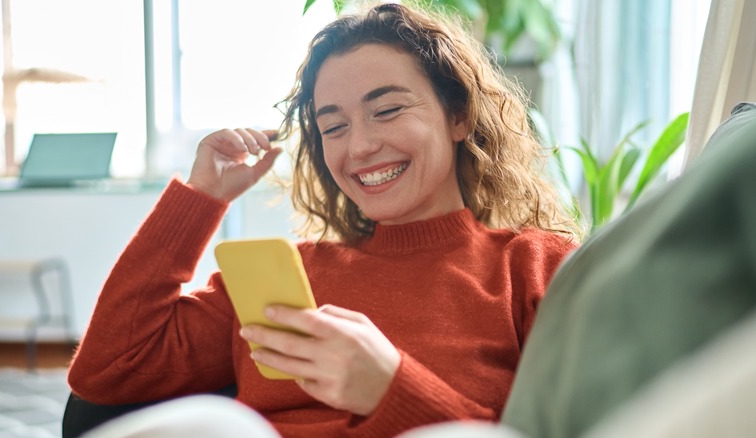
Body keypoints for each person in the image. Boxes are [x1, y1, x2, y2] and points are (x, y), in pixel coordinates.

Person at [68, 3, 578, 437]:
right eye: (333, 126)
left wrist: (391, 389)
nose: (359, 147)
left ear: (458, 116)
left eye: (387, 110)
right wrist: (200, 199)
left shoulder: (534, 268)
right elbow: (108, 372)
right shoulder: (287, 280)